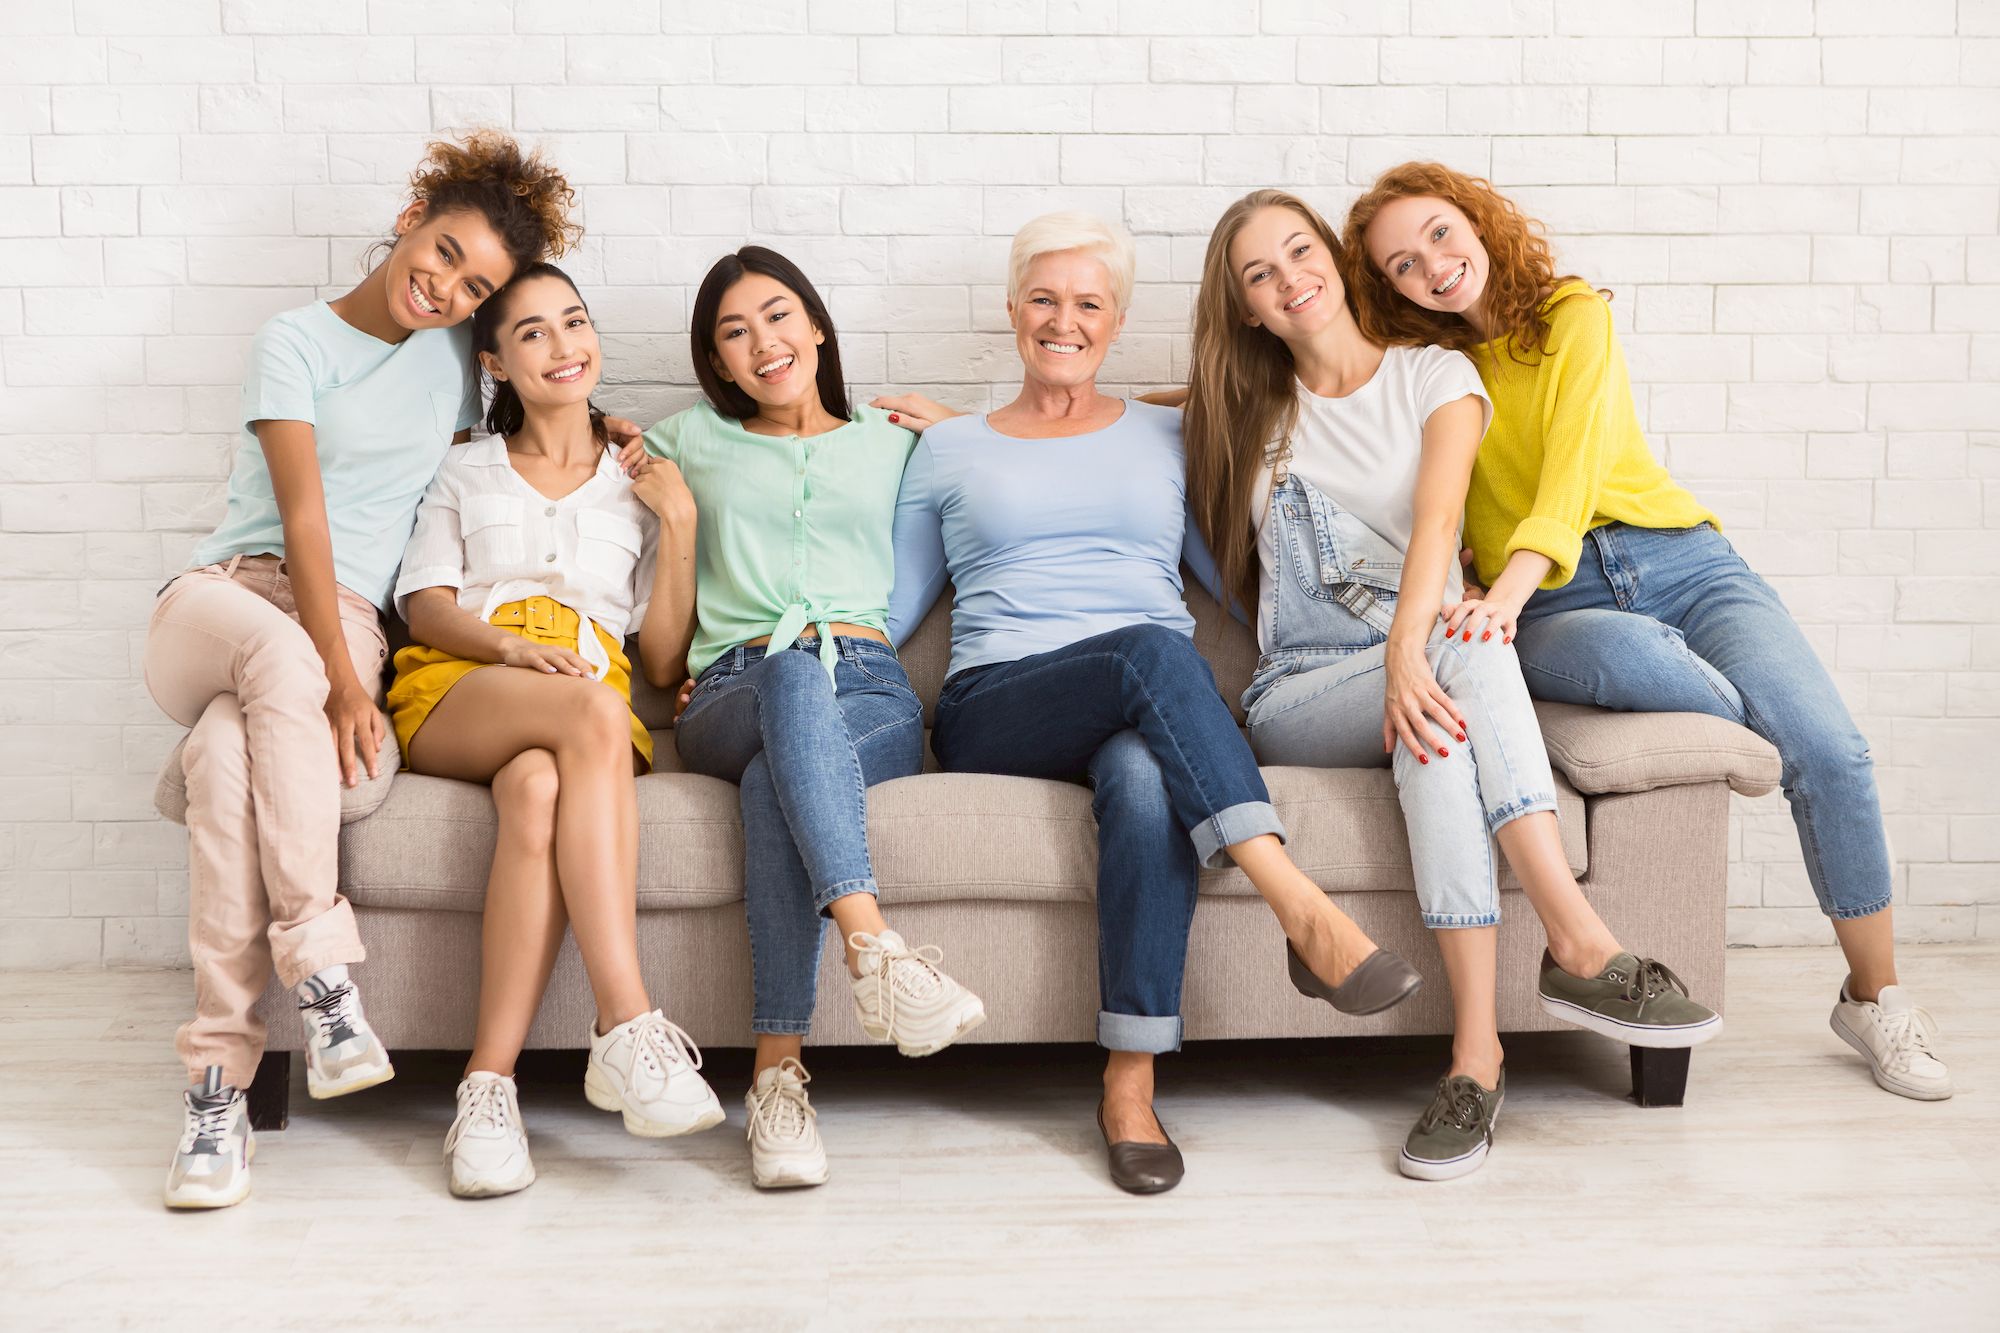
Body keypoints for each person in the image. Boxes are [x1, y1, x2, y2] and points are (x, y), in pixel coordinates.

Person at [1347, 161, 1951, 1101]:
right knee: (1632, 660)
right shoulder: (1430, 374)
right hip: (1557, 607)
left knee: (1830, 749)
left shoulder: (1573, 313)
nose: (1428, 264)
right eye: (1398, 265)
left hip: (1679, 562)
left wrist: (1501, 591)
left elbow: (1574, 470)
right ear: (1389, 293)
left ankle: (1875, 995)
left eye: (1435, 235)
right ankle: (1757, 728)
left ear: (1473, 223)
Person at [1180, 189, 1719, 1180]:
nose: (1286, 277)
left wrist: (1401, 654)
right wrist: (973, 413)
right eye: (1257, 275)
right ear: (1248, 310)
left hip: (1415, 658)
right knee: (1457, 660)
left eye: (1297, 251)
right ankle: (1577, 941)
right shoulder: (1243, 405)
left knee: (1441, 714)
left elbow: (1436, 524)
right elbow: (1110, 412)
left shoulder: (1436, 374)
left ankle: (1473, 1061)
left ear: (1336, 265)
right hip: (1299, 689)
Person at [889, 212, 1424, 1197]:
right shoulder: (950, 447)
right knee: (1147, 648)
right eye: (1043, 299)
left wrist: (1409, 607)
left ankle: (1128, 1085)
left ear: (1118, 322)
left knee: (1143, 776)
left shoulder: (1166, 435)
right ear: (1010, 312)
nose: (1064, 319)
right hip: (998, 708)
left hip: (1137, 711)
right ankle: (1298, 905)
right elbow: (888, 611)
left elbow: (1242, 581)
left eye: (1088, 303)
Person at [146, 132, 587, 1209]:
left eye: (474, 286)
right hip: (227, 599)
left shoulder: (448, 364)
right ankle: (323, 970)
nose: (444, 289)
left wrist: (599, 433)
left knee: (220, 760)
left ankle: (217, 1093)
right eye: (441, 254)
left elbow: (495, 448)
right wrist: (342, 679)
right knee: (275, 658)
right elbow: (303, 516)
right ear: (410, 217)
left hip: (328, 634)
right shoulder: (291, 340)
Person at [624, 246, 986, 1192]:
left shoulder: (895, 439)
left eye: (778, 316)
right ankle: (876, 947)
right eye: (733, 334)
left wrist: (970, 433)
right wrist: (679, 525)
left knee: (771, 785)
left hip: (872, 690)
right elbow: (661, 664)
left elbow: (1067, 432)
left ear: (818, 325)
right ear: (717, 362)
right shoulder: (682, 444)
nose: (763, 344)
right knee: (788, 682)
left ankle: (777, 1083)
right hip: (733, 690)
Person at [391, 264, 724, 1199]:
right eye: (532, 332)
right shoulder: (465, 466)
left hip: (590, 688)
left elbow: (658, 663)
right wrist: (507, 647)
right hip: (467, 678)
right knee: (585, 711)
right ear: (494, 360)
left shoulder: (642, 480)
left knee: (540, 784)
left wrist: (683, 520)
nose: (563, 345)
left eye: (574, 321)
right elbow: (424, 604)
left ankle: (486, 1091)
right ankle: (628, 1023)